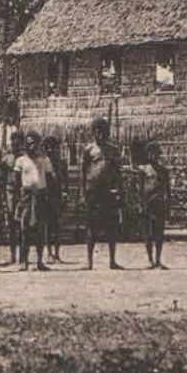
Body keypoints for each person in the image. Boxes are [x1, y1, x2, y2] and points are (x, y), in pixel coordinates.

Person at [81, 116, 124, 270]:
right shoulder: (88, 150)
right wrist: (83, 192)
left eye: (102, 131)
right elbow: (83, 172)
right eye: (97, 131)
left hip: (108, 192)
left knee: (111, 227)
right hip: (93, 191)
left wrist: (120, 190)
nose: (99, 134)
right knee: (91, 227)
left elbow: (117, 172)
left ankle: (112, 261)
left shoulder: (113, 150)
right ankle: (89, 262)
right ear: (93, 132)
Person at [13, 130, 50, 271]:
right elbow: (17, 183)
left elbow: (50, 180)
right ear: (25, 144)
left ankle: (40, 261)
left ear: (38, 144)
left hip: (40, 196)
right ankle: (24, 261)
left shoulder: (44, 160)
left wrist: (47, 196)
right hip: (26, 197)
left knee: (40, 230)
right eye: (28, 143)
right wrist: (19, 200)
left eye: (34, 143)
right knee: (25, 230)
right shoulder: (21, 161)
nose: (31, 146)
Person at [138, 139, 171, 269]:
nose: (154, 156)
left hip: (159, 203)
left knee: (159, 233)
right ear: (148, 154)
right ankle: (150, 259)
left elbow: (167, 190)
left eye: (156, 153)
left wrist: (168, 206)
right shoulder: (143, 170)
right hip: (147, 203)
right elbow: (140, 189)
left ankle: (158, 259)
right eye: (151, 153)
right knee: (148, 233)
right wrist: (141, 204)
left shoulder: (163, 171)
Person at [42, 135, 68, 263]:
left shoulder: (62, 163)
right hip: (46, 196)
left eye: (53, 147)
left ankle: (57, 254)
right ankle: (49, 253)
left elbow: (65, 180)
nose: (50, 150)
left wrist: (65, 193)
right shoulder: (43, 162)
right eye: (48, 148)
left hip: (57, 196)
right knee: (47, 226)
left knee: (57, 226)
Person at [2, 130, 26, 268]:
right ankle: (12, 256)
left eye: (18, 142)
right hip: (9, 191)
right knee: (11, 225)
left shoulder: (24, 158)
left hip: (22, 192)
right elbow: (1, 178)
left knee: (23, 225)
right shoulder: (6, 159)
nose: (15, 144)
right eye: (13, 141)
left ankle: (22, 256)